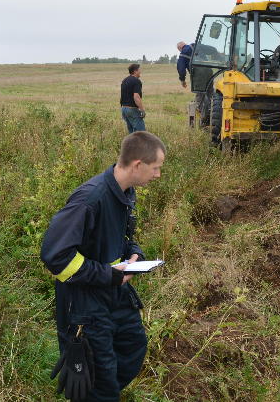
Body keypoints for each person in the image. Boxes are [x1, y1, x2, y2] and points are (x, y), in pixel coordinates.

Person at [41, 131, 166, 402]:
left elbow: (123, 237)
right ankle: (97, 392)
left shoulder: (124, 193)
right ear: (137, 165)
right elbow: (56, 257)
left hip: (114, 295)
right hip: (85, 304)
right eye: (155, 168)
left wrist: (134, 255)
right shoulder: (90, 199)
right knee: (99, 377)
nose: (157, 175)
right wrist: (107, 275)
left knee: (133, 348)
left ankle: (97, 391)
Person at [176, 41, 212, 127]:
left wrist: (182, 80)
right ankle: (214, 113)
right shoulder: (196, 46)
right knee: (211, 94)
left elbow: (181, 68)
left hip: (198, 74)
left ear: (180, 48)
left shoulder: (183, 54)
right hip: (209, 71)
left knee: (200, 97)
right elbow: (211, 49)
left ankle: (204, 121)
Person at [120, 63, 145, 133]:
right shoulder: (136, 81)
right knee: (141, 134)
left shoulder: (124, 80)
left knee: (132, 134)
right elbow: (136, 96)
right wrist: (142, 110)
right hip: (132, 109)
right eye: (139, 70)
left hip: (124, 109)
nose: (140, 72)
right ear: (135, 71)